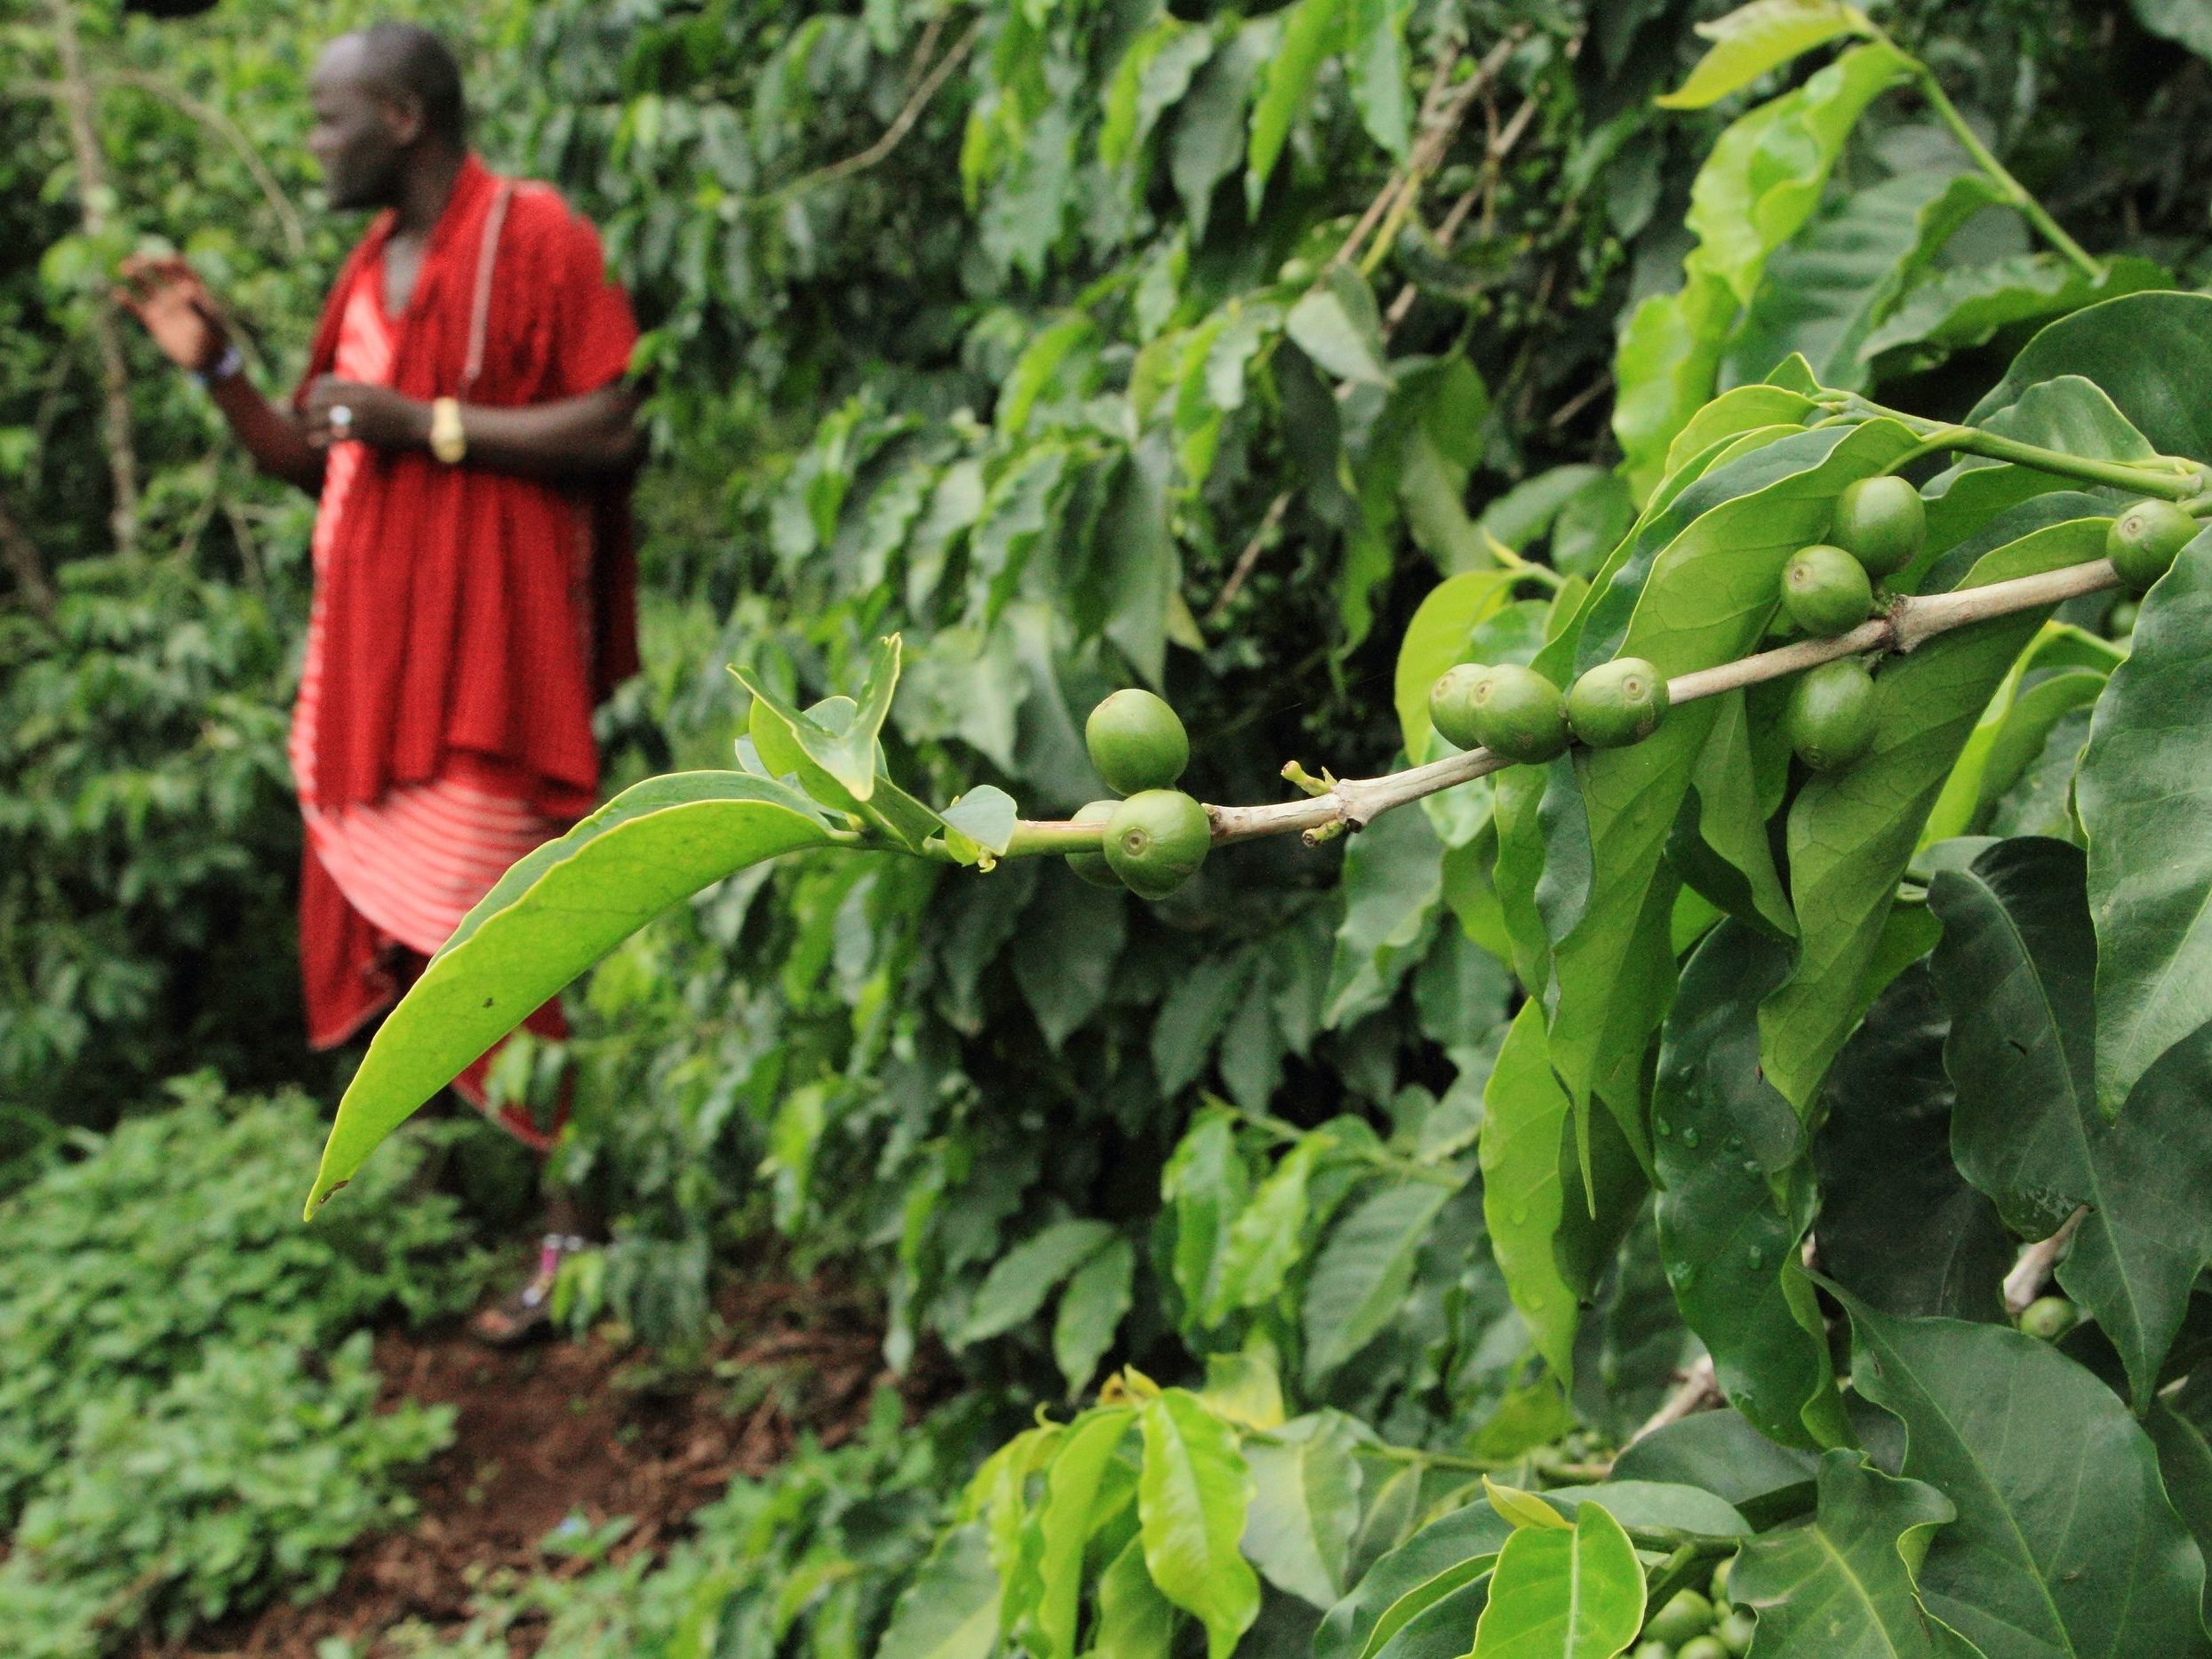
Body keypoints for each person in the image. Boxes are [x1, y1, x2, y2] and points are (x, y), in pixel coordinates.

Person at [119, 24, 642, 1342]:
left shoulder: (536, 236)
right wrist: (219, 363)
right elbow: (318, 458)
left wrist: (433, 426)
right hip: (373, 662)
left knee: (513, 941)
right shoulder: (369, 266)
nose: (315, 145)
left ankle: (579, 1232)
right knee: (405, 938)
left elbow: (613, 424)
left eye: (328, 120)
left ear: (402, 116)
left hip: (491, 665)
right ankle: (461, 1215)